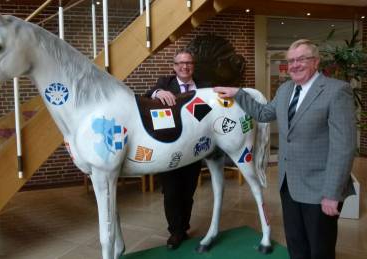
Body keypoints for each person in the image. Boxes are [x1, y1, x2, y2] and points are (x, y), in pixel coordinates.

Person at [214, 39, 356, 259]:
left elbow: (344, 147)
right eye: (290, 60)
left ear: (316, 62)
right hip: (289, 184)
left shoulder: (337, 91)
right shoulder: (285, 89)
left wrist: (332, 193)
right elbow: (262, 113)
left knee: (320, 249)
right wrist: (238, 93)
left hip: (320, 189)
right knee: (296, 244)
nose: (294, 65)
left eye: (301, 59)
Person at [145, 48, 210, 249]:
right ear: (174, 67)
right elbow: (149, 94)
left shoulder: (203, 85)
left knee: (188, 192)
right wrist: (159, 92)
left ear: (193, 66)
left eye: (188, 62)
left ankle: (184, 226)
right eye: (180, 63)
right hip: (170, 151)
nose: (185, 66)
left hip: (193, 150)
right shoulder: (165, 83)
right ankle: (175, 231)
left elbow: (208, 114)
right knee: (171, 193)